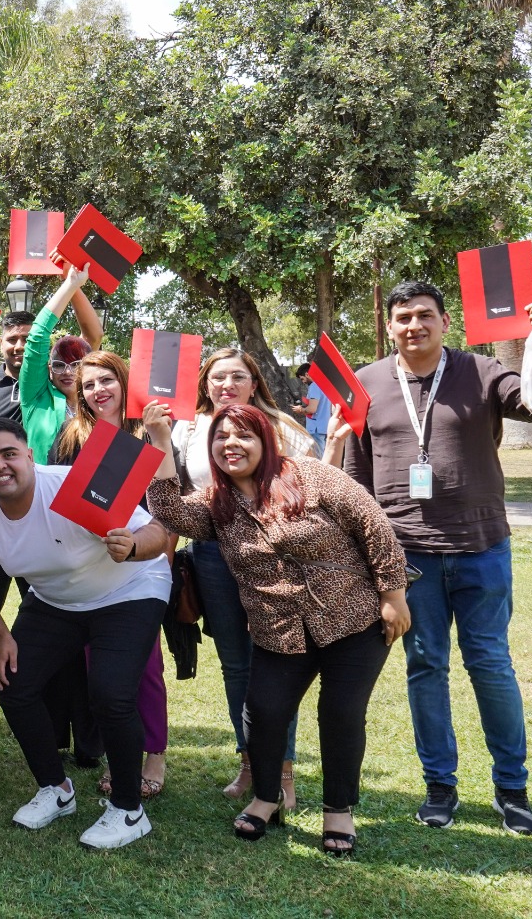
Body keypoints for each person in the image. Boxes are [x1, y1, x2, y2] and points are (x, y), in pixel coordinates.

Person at [341, 281, 532, 835]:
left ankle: (511, 789)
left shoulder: (484, 370)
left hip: (482, 548)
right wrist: (366, 558)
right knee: (426, 668)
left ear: (446, 321)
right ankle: (439, 787)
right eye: (403, 318)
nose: (413, 326)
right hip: (407, 553)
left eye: (424, 315)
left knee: (491, 666)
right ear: (389, 326)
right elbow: (355, 476)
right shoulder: (367, 382)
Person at [145, 402, 410, 856]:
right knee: (264, 713)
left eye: (243, 435)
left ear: (264, 440)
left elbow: (372, 523)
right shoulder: (216, 505)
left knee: (341, 715)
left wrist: (392, 594)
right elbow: (168, 509)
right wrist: (159, 436)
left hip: (352, 618)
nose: (232, 444)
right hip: (278, 629)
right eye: (222, 437)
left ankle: (338, 811)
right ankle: (267, 797)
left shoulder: (310, 475)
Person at [0, 418, 170, 849]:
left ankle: (129, 810)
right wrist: (2, 636)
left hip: (129, 588)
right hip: (57, 600)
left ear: (29, 456)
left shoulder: (68, 487)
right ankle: (56, 790)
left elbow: (158, 529)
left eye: (8, 454)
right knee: (12, 682)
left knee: (111, 693)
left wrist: (132, 546)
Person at [170, 347, 316, 805]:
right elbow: (174, 488)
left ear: (254, 381)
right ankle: (250, 764)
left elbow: (314, 481)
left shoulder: (281, 428)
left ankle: (284, 773)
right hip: (212, 555)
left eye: (237, 376)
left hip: (272, 554)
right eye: (217, 378)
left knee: (275, 661)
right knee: (235, 663)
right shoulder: (188, 428)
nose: (226, 384)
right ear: (205, 384)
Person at [48, 351, 170, 799]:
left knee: (146, 666)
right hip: (88, 561)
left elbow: (168, 501)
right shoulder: (72, 437)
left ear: (123, 381)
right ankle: (121, 751)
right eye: (89, 385)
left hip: (142, 562)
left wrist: (154, 550)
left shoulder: (150, 429)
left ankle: (154, 754)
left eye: (106, 381)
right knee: (97, 666)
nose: (98, 391)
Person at [18, 263, 105, 465]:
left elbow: (95, 335)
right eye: (59, 365)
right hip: (43, 492)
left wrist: (74, 282)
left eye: (76, 365)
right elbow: (38, 334)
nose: (68, 372)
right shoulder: (36, 398)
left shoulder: (98, 401)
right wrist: (69, 284)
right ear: (49, 369)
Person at [0, 309, 35, 424]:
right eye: (12, 340)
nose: (19, 346)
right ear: (1, 344)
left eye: (27, 339)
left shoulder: (50, 384)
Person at [292, 364, 330, 457]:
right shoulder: (323, 385)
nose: (303, 382)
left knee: (318, 458)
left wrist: (300, 409)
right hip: (323, 426)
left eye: (302, 379)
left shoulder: (314, 386)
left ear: (307, 374)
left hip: (316, 428)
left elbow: (312, 409)